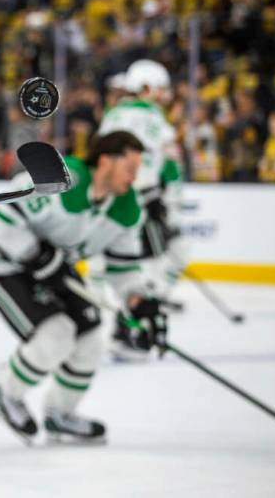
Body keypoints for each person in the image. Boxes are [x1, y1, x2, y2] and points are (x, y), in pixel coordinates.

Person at [0, 131, 168, 443]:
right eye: (130, 168)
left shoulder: (126, 209)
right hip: (4, 263)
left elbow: (123, 268)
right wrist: (34, 254)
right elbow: (2, 217)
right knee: (56, 334)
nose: (135, 178)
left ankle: (60, 413)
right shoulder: (62, 177)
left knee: (91, 338)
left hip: (54, 268)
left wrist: (139, 302)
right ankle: (7, 396)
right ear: (105, 160)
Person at [97, 59, 187, 358]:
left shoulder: (112, 115)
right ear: (147, 88)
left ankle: (131, 321)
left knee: (134, 264)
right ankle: (130, 328)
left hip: (117, 198)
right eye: (160, 89)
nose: (164, 95)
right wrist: (166, 198)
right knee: (162, 259)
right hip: (143, 198)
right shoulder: (154, 117)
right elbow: (170, 163)